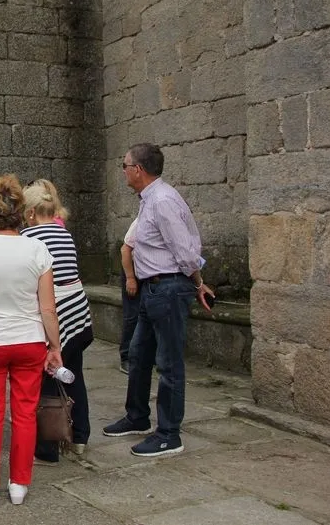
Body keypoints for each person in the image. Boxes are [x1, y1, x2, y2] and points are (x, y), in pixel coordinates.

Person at [103, 144, 215, 457]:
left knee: (168, 363)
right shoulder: (150, 199)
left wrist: (198, 283)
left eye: (125, 165)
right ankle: (137, 416)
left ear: (138, 170)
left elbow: (185, 252)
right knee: (138, 354)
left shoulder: (162, 201)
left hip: (168, 288)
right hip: (152, 289)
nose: (123, 171)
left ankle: (169, 434)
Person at [0, 175, 63, 508]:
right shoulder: (38, 249)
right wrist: (55, 347)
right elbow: (48, 307)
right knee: (25, 414)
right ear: (23, 213)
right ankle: (19, 483)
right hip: (29, 340)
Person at [22, 183, 94, 464]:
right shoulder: (64, 233)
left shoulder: (29, 238)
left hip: (56, 315)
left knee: (46, 380)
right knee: (74, 374)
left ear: (30, 212)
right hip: (78, 314)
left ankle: (48, 446)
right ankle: (80, 437)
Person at [119, 217, 139, 374]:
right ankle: (126, 356)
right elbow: (125, 250)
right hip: (132, 270)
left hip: (147, 272)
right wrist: (130, 278)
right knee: (132, 315)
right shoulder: (140, 222)